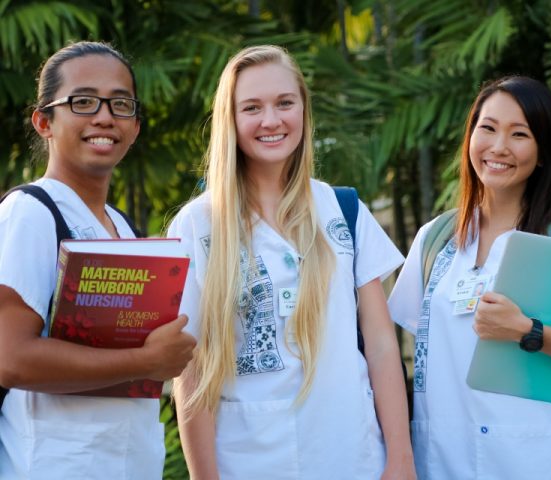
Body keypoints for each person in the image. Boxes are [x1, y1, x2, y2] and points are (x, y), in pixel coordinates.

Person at [168, 45, 416, 479]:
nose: (271, 120)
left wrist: (401, 459)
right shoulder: (197, 225)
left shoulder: (343, 211)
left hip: (351, 456)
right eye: (252, 107)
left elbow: (379, 346)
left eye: (285, 103)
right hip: (247, 462)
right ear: (230, 119)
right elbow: (192, 371)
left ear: (303, 109)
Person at [0, 41, 196, 479]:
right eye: (83, 101)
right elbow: (9, 358)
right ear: (43, 121)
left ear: (136, 126)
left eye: (120, 104)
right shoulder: (32, 212)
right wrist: (147, 363)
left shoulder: (121, 227)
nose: (104, 117)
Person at [388, 75, 551, 479]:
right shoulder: (435, 238)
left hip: (537, 460)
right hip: (442, 458)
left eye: (519, 134)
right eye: (487, 128)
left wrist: (530, 331)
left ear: (541, 153)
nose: (498, 147)